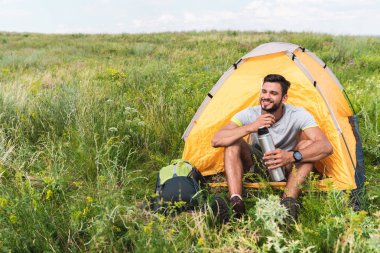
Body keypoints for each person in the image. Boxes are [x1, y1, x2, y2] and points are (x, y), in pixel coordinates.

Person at [211, 74, 333, 219]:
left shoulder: (298, 114)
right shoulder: (250, 114)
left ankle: (287, 204)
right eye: (264, 91)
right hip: (257, 164)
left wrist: (291, 156)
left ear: (284, 98)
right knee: (232, 142)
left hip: (286, 165)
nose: (266, 96)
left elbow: (325, 146)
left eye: (273, 93)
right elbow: (216, 140)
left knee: (307, 146)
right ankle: (236, 203)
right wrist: (251, 127)